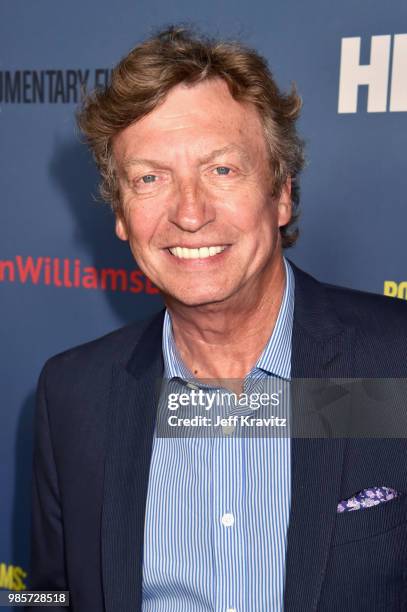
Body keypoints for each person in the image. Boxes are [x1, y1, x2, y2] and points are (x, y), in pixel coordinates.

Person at [28, 25, 407, 612]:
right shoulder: (74, 396)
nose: (189, 212)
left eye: (221, 170)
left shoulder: (395, 364)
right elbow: (50, 597)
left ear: (281, 192)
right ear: (121, 214)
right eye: (150, 178)